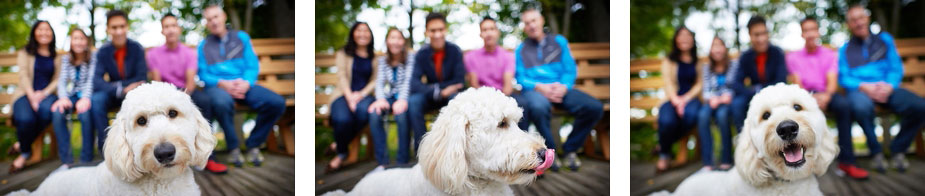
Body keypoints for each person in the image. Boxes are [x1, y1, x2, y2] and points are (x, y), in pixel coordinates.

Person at [515, 8, 603, 172]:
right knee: (537, 107)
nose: (531, 26)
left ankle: (570, 149)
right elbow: (520, 77)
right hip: (536, 91)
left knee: (594, 107)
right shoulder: (521, 50)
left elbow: (570, 70)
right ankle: (550, 153)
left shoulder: (559, 42)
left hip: (560, 89)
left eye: (534, 21)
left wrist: (564, 86)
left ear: (541, 21)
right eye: (527, 23)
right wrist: (539, 87)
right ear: (524, 27)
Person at [839, 5, 925, 173]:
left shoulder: (885, 40)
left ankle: (898, 149)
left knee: (920, 107)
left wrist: (889, 86)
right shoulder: (845, 49)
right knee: (860, 107)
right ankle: (876, 152)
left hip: (887, 89)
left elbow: (896, 68)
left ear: (867, 18)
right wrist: (863, 86)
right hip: (861, 91)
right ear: (849, 25)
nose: (858, 23)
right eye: (853, 20)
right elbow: (844, 77)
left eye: (861, 18)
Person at [198, 5, 286, 167]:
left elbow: (252, 66)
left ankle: (254, 144)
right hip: (218, 87)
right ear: (207, 23)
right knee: (221, 102)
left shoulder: (241, 38)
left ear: (224, 16)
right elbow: (203, 74)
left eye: (216, 17)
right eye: (209, 19)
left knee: (277, 103)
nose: (214, 22)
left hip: (243, 84)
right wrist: (222, 83)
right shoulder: (203, 46)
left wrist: (246, 82)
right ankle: (234, 148)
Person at [146, 13, 229, 174]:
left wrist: (181, 99)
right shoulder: (153, 54)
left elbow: (190, 82)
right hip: (165, 94)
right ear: (162, 31)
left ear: (179, 29)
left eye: (173, 26)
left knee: (204, 101)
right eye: (166, 27)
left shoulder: (189, 52)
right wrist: (170, 100)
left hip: (185, 92)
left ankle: (206, 157)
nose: (170, 30)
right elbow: (157, 83)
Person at [786, 17, 860, 179]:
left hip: (826, 93)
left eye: (813, 29)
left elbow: (832, 81)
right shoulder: (793, 57)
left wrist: (826, 96)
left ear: (818, 31)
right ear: (802, 34)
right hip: (805, 96)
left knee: (844, 106)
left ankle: (847, 162)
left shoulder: (829, 54)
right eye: (806, 30)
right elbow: (798, 86)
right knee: (798, 113)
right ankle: (802, 162)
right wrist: (812, 100)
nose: (810, 33)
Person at [90, 10, 149, 160]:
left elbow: (141, 77)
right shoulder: (103, 51)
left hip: (135, 93)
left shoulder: (137, 48)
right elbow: (97, 80)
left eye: (122, 26)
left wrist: (127, 88)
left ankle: (137, 150)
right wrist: (120, 88)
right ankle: (106, 150)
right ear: (108, 29)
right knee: (96, 100)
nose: (118, 31)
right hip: (114, 93)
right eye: (114, 27)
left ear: (127, 27)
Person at [408, 12, 466, 155]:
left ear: (445, 30)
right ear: (426, 32)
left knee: (455, 100)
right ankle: (422, 152)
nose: (437, 34)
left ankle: (452, 152)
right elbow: (414, 82)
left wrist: (446, 89)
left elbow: (459, 81)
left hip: (450, 97)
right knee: (414, 101)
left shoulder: (455, 51)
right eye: (433, 30)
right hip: (431, 96)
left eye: (440, 29)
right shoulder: (422, 54)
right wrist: (438, 90)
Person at [10, 20, 61, 173]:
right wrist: (32, 96)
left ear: (52, 34)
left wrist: (43, 94)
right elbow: (23, 75)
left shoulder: (56, 56)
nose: (44, 32)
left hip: (48, 95)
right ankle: (26, 150)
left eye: (48, 30)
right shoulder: (25, 52)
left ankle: (22, 150)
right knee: (26, 119)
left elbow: (57, 80)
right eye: (40, 29)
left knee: (47, 112)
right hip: (25, 94)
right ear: (34, 33)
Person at [326, 21, 378, 171]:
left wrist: (360, 95)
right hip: (343, 94)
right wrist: (350, 97)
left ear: (370, 35)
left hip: (365, 96)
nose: (362, 33)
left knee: (363, 112)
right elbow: (341, 76)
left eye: (366, 31)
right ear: (353, 34)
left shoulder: (374, 57)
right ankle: (343, 150)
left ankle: (339, 151)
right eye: (359, 30)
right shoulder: (343, 53)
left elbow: (375, 80)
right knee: (342, 119)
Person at [654, 26, 702, 172]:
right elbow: (668, 82)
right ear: (676, 40)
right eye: (681, 35)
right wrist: (676, 100)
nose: (684, 38)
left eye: (688, 35)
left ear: (692, 40)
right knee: (666, 121)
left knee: (691, 115)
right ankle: (665, 155)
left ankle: (663, 146)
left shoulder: (697, 61)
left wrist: (685, 99)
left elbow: (700, 84)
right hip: (672, 98)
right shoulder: (669, 60)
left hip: (691, 98)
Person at [367, 28, 414, 170]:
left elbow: (408, 80)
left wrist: (403, 100)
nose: (395, 42)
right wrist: (380, 99)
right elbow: (379, 82)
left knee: (401, 115)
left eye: (399, 38)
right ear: (387, 41)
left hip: (406, 96)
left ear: (403, 42)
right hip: (389, 97)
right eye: (392, 38)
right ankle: (383, 162)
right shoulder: (382, 61)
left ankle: (402, 161)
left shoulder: (410, 57)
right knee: (374, 113)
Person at [731, 16, 788, 132]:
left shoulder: (777, 53)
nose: (761, 39)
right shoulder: (745, 56)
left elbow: (781, 80)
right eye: (757, 35)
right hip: (753, 96)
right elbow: (736, 83)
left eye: (764, 33)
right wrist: (753, 91)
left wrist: (760, 89)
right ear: (750, 36)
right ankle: (744, 140)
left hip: (774, 94)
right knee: (737, 104)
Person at [50, 28, 95, 167]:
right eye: (75, 38)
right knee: (58, 113)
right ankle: (66, 160)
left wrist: (86, 98)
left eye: (81, 38)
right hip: (71, 96)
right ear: (71, 41)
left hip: (87, 96)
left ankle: (86, 159)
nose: (78, 42)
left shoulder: (93, 58)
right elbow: (62, 81)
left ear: (86, 41)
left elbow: (91, 80)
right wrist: (63, 98)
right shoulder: (66, 59)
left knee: (86, 113)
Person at [463, 16, 519, 128]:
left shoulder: (508, 56)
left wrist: (498, 104)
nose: (488, 33)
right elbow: (474, 85)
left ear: (497, 32)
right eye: (484, 30)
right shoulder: (471, 57)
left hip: (504, 96)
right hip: (481, 99)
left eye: (492, 29)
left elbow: (508, 87)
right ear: (480, 34)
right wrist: (489, 105)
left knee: (523, 104)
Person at [696, 36, 737, 171]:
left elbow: (735, 85)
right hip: (712, 101)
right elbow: (705, 89)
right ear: (711, 50)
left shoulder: (733, 65)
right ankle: (708, 162)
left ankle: (726, 158)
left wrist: (727, 96)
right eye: (714, 46)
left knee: (722, 116)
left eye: (720, 45)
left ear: (725, 48)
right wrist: (711, 98)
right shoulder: (707, 68)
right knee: (702, 116)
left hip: (726, 102)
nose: (717, 49)